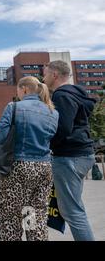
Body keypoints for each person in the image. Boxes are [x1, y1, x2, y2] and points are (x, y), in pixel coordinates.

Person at [0, 77, 59, 241]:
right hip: (44, 168)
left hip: (19, 167)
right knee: (34, 214)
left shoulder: (14, 107)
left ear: (24, 89)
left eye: (18, 90)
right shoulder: (53, 112)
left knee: (9, 215)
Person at [44, 60, 97, 241]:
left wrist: (47, 145)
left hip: (69, 158)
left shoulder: (61, 95)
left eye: (45, 74)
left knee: (73, 212)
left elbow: (63, 129)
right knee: (75, 208)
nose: (44, 78)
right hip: (83, 154)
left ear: (55, 75)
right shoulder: (77, 93)